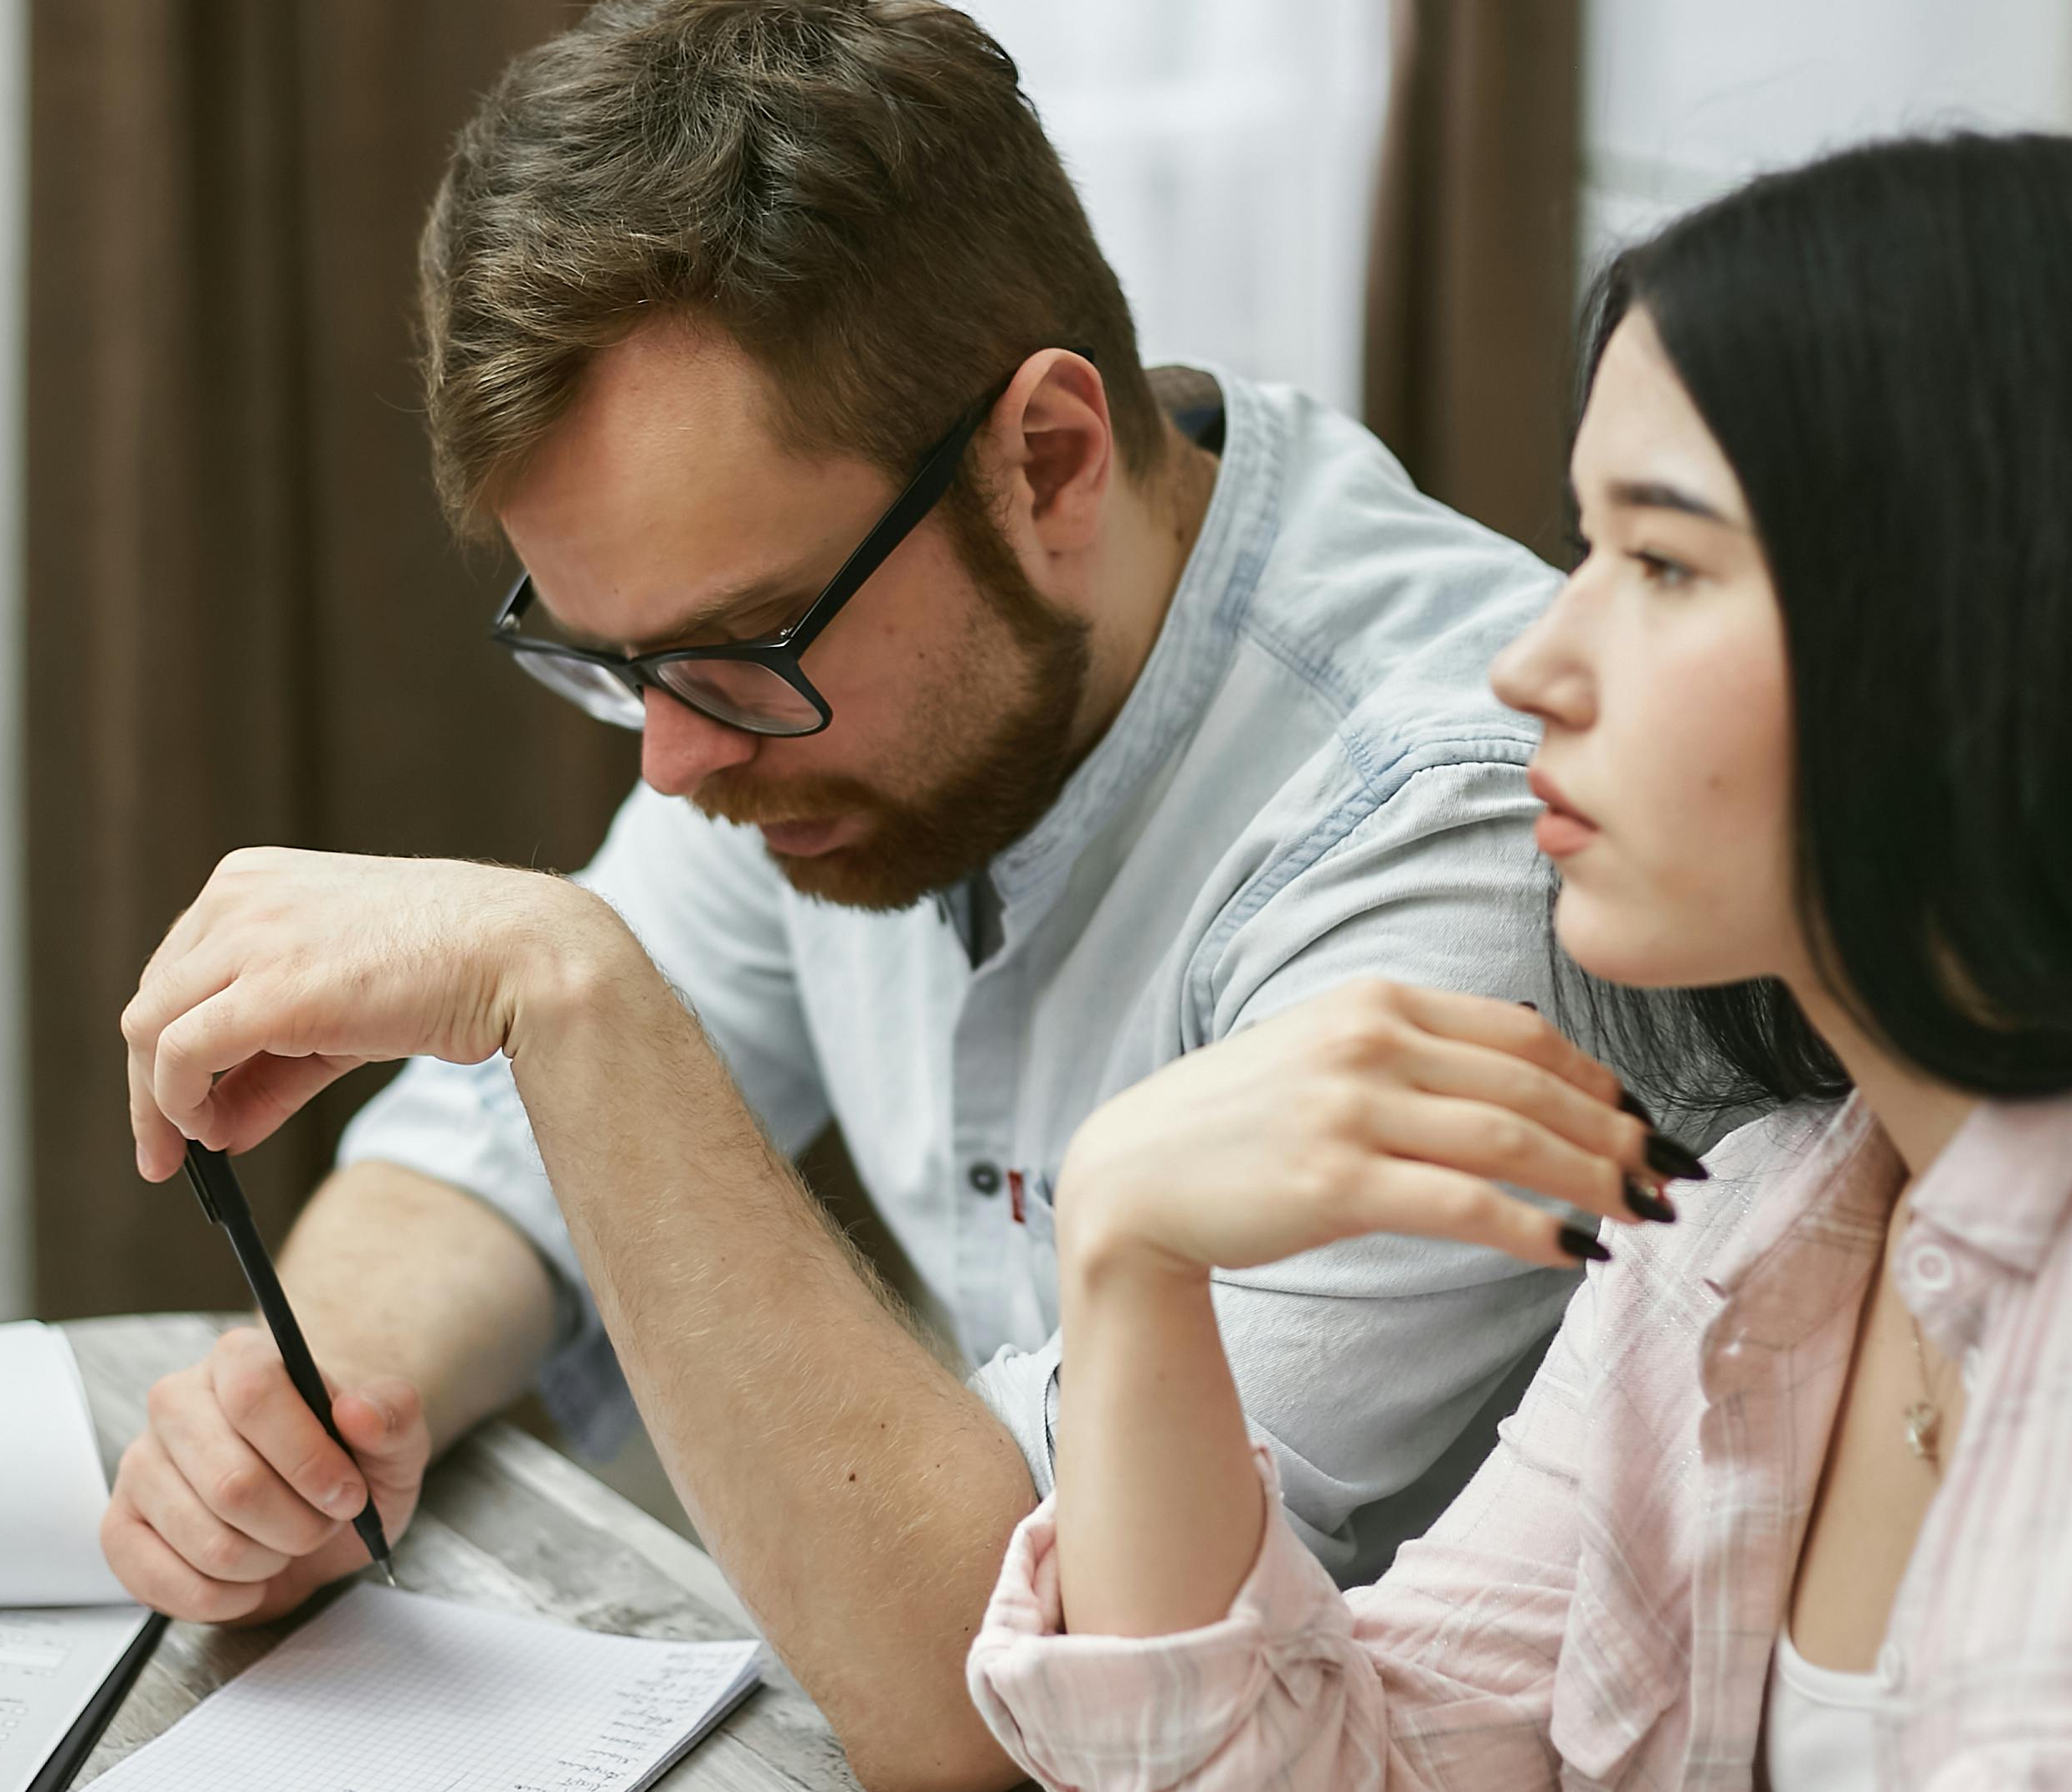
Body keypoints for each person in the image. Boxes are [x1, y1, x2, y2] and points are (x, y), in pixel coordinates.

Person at [103, 4, 1709, 1785]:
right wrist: (316, 1415)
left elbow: (1000, 1700)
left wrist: (569, 989)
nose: (674, 763)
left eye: (734, 651)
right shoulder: (827, 715)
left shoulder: (1461, 840)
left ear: (1047, 463)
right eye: (616, 662)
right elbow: (487, 1180)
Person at [964, 131, 2072, 1789]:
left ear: (1972, 613)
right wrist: (1129, 1256)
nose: (1530, 664)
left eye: (1666, 561)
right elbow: (1330, 1766)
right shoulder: (1746, 1236)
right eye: (1584, 549)